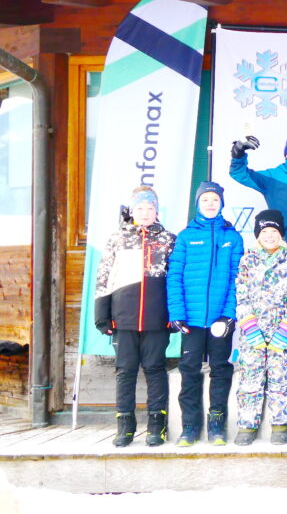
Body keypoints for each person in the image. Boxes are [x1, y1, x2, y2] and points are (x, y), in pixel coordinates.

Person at [94, 186, 176, 447]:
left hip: (156, 318)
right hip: (124, 316)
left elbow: (176, 280)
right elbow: (104, 276)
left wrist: (175, 315)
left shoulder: (168, 239)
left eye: (149, 208)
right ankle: (125, 426)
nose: (144, 213)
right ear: (132, 210)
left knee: (155, 368)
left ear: (157, 210)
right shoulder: (118, 238)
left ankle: (156, 425)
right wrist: (102, 314)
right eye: (140, 208)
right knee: (125, 370)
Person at [167, 181, 244, 447]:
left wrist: (229, 314)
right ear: (197, 204)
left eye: (215, 200)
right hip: (191, 319)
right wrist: (177, 313)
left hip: (220, 319)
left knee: (220, 368)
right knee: (189, 369)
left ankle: (217, 424)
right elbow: (174, 276)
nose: (210, 204)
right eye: (205, 200)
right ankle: (190, 426)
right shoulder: (186, 237)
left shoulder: (232, 237)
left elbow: (237, 279)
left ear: (221, 203)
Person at [233, 209, 287, 446]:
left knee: (280, 376)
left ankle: (280, 425)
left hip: (281, 330)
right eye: (265, 231)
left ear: (281, 234)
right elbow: (241, 294)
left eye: (274, 231)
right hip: (253, 330)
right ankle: (247, 425)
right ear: (258, 234)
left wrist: (286, 326)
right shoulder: (247, 259)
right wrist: (249, 325)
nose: (270, 236)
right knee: (250, 377)